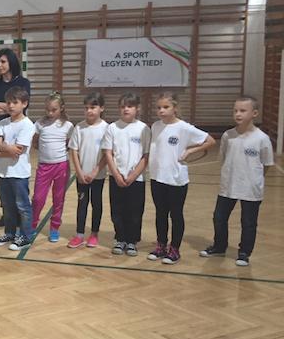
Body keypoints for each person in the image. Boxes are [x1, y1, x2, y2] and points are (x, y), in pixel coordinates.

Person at [201, 96, 273, 267]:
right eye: (235, 111)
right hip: (228, 185)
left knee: (248, 222)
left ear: (254, 113)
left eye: (242, 110)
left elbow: (266, 164)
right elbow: (223, 158)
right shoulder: (228, 135)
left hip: (251, 188)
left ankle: (244, 252)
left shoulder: (262, 138)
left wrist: (254, 178)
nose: (238, 114)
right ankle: (219, 246)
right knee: (219, 217)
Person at [147, 92, 215, 264]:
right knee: (160, 213)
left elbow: (210, 141)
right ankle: (161, 245)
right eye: (159, 107)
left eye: (166, 107)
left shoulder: (184, 128)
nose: (161, 111)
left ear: (176, 108)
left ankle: (175, 249)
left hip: (176, 179)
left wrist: (190, 151)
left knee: (176, 214)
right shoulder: (155, 126)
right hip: (157, 177)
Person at [0, 48, 31, 227]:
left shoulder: (23, 83)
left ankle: (20, 213)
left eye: (3, 61)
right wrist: (8, 107)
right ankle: (7, 212)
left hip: (16, 130)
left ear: (11, 62)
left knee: (16, 171)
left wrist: (0, 105)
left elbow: (23, 108)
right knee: (1, 173)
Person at [101, 93, 151, 257]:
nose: (126, 109)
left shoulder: (143, 129)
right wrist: (116, 174)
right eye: (123, 106)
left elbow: (146, 155)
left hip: (136, 179)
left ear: (137, 108)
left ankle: (132, 241)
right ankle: (120, 239)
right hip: (116, 177)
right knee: (117, 210)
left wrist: (133, 175)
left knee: (135, 211)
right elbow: (108, 154)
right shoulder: (112, 128)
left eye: (129, 106)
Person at [30, 92, 74, 242]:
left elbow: (68, 145)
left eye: (54, 110)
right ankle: (32, 225)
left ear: (62, 108)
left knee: (58, 198)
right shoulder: (39, 124)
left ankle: (54, 228)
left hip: (61, 166)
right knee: (38, 198)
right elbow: (35, 141)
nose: (50, 113)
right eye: (48, 110)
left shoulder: (68, 126)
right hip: (44, 166)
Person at [67, 92, 108, 249]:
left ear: (101, 108)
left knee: (96, 204)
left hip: (98, 175)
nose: (89, 111)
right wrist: (79, 172)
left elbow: (107, 154)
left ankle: (94, 234)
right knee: (82, 203)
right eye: (86, 108)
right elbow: (74, 151)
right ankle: (79, 235)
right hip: (82, 176)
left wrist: (95, 171)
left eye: (93, 107)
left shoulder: (106, 128)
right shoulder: (79, 127)